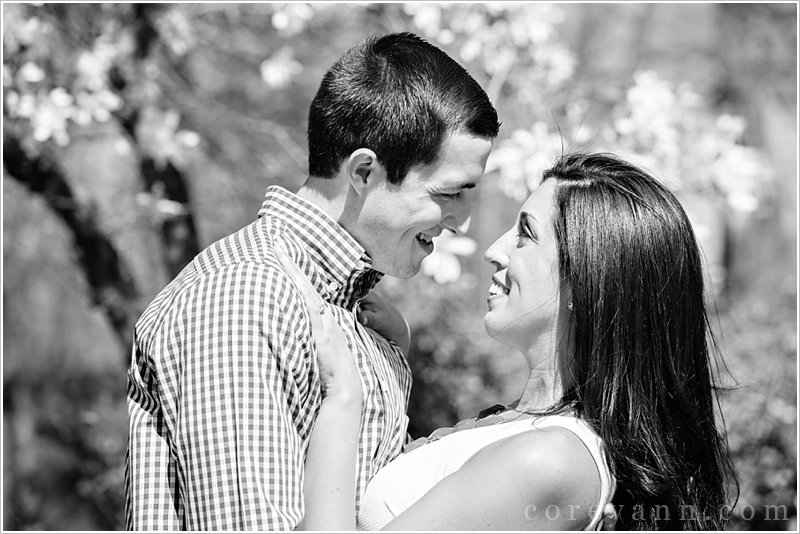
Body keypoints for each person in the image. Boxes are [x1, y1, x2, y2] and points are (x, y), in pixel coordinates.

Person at [125, 32, 499, 530]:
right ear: (363, 172)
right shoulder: (244, 300)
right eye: (450, 193)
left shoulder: (354, 313)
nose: (462, 221)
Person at [279, 152, 738, 530]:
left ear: (587, 281)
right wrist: (393, 354)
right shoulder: (531, 430)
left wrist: (343, 399)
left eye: (525, 235)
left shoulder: (548, 459)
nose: (493, 250)